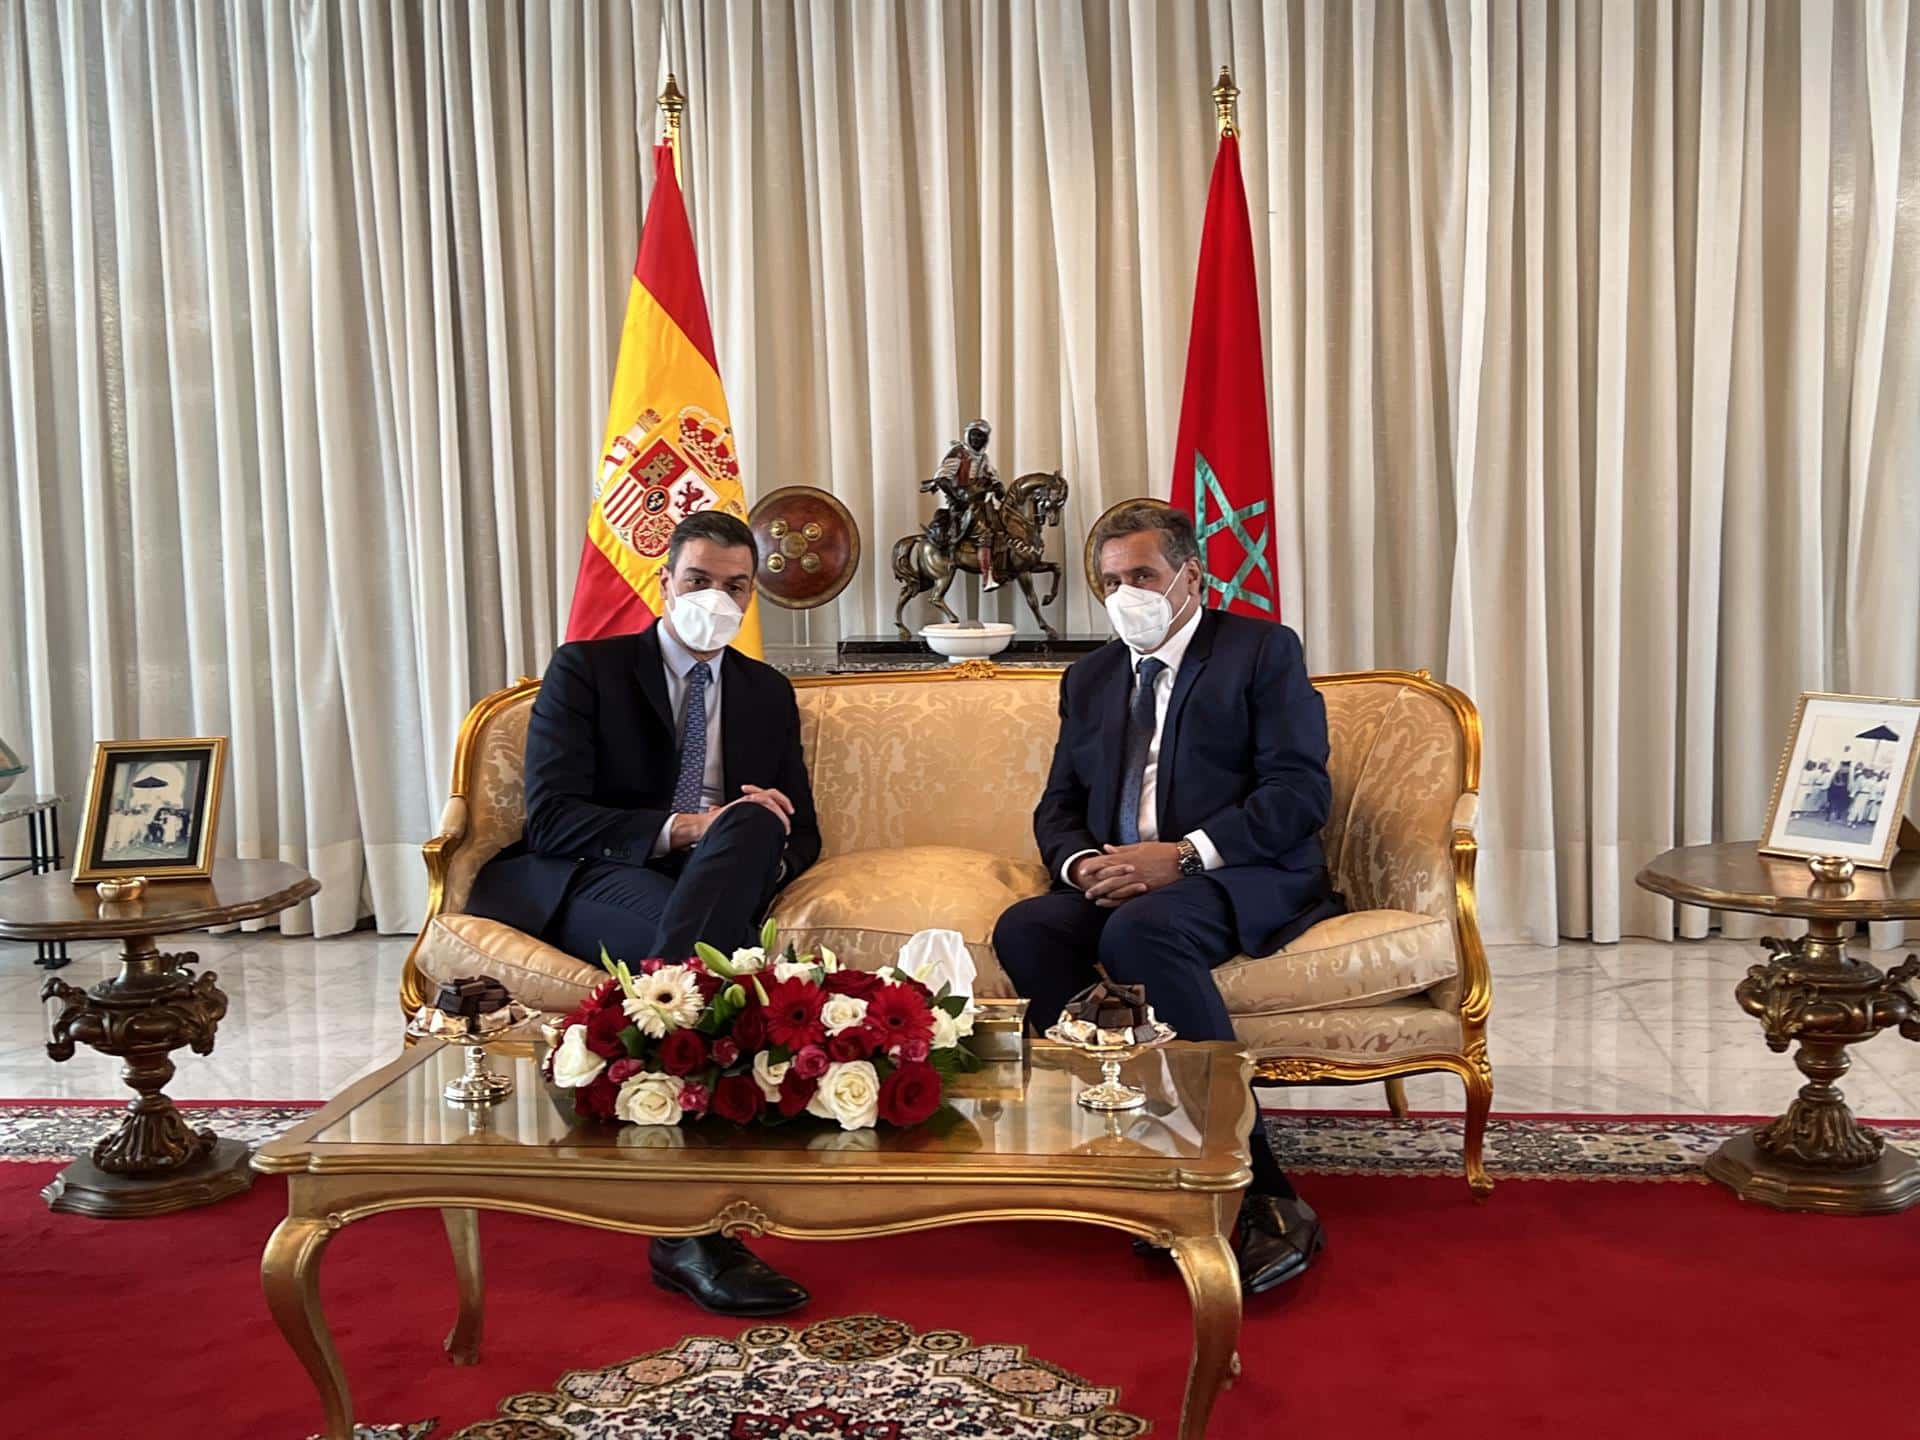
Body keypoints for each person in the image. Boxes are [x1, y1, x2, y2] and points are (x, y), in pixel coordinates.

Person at [468, 510, 821, 1320]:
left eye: (737, 587)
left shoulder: (766, 692)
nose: (717, 601)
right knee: (709, 938)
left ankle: (666, 1155)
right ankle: (687, 1223)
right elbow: (552, 818)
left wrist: (755, 842)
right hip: (599, 875)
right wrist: (687, 827)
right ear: (665, 584)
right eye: (700, 582)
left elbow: (807, 831)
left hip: (719, 880)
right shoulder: (589, 669)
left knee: (756, 824)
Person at [992, 502, 1342, 1297]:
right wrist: (1082, 865)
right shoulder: (1092, 676)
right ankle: (1138, 1140)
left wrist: (1183, 856)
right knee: (1029, 929)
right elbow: (1059, 806)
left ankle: (1259, 1188)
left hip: (1238, 870)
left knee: (1143, 935)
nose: (1125, 596)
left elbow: (1299, 792)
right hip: (1122, 875)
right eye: (1111, 581)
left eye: (1142, 577)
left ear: (1191, 577)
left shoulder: (1260, 651)